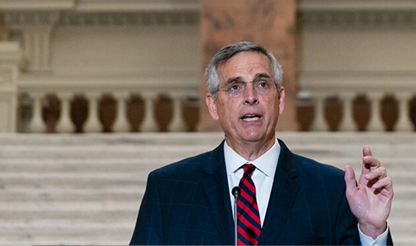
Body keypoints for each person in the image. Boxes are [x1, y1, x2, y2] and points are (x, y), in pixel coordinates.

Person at [130, 41, 393, 245]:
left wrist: (372, 229)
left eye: (262, 84)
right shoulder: (169, 189)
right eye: (235, 87)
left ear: (279, 100)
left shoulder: (330, 189)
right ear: (213, 105)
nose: (251, 97)